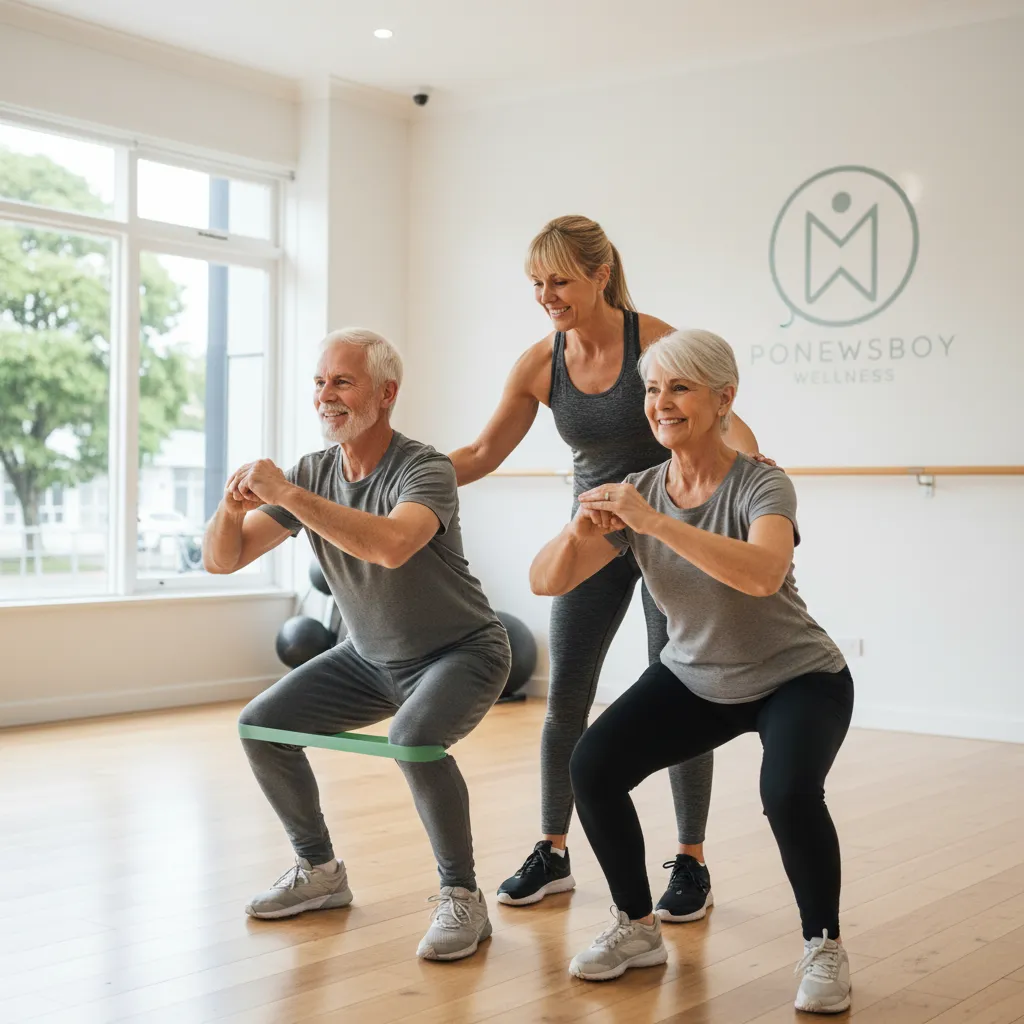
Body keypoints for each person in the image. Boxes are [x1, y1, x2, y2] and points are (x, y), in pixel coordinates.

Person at [529, 329, 853, 1013]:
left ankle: (823, 946)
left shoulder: (761, 483)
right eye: (652, 389)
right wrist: (576, 531)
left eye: (680, 388)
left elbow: (763, 575)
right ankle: (636, 926)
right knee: (593, 767)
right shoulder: (639, 491)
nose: (661, 403)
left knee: (788, 793)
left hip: (797, 677)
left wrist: (655, 524)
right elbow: (545, 581)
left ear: (723, 398)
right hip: (695, 677)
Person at [449, 216, 760, 919]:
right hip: (594, 534)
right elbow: (482, 452)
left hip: (666, 529)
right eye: (537, 283)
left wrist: (752, 457)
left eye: (560, 280)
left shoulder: (654, 342)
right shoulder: (540, 363)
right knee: (566, 693)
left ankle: (691, 860)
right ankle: (553, 850)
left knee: (685, 690)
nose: (547, 295)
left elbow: (720, 413)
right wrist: (407, 474)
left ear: (599, 274)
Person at [202, 328, 511, 962]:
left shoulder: (424, 468)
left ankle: (462, 896)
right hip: (369, 659)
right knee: (261, 727)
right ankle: (319, 872)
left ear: (386, 393)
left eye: (342, 382)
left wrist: (286, 494)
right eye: (319, 382)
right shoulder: (313, 472)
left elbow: (391, 546)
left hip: (462, 652)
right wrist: (231, 509)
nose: (326, 395)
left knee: (413, 740)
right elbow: (223, 560)